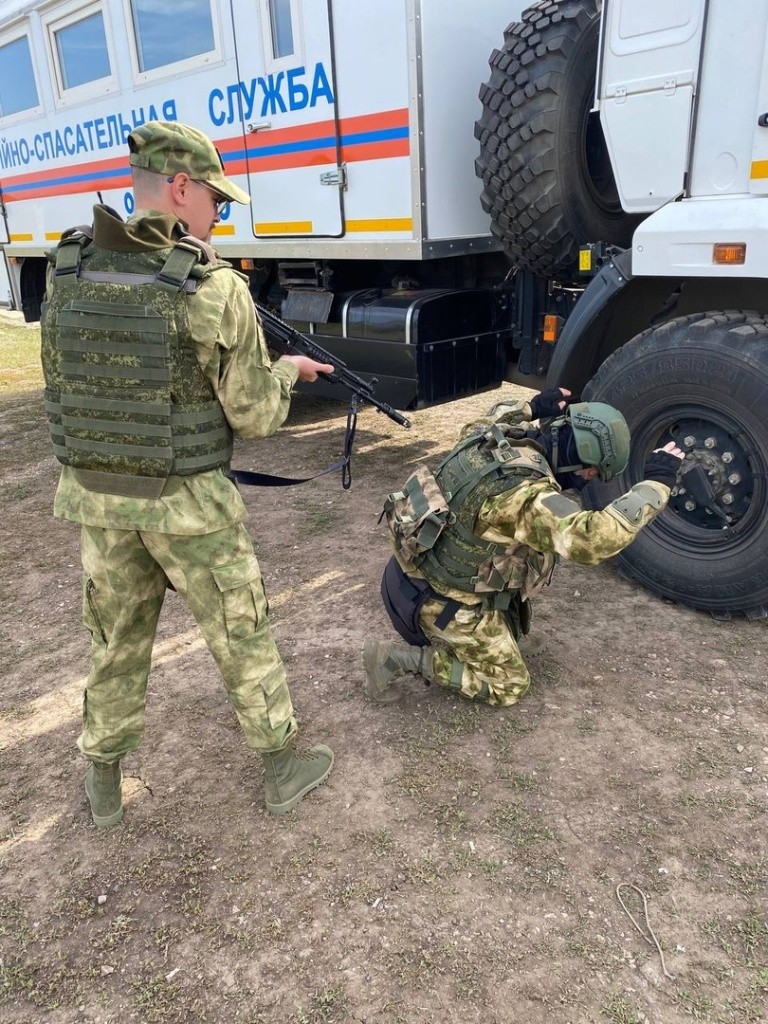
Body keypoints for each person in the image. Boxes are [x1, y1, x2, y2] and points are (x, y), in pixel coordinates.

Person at [40, 121, 335, 826]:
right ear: (180, 187)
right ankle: (282, 769)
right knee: (240, 631)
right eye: (216, 200)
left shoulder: (67, 267)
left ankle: (103, 781)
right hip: (188, 507)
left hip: (100, 499)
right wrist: (286, 372)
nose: (219, 215)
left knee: (114, 640)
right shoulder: (210, 286)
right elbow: (254, 416)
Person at [363, 388, 684, 707]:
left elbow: (495, 413)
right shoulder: (521, 496)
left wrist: (532, 406)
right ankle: (397, 659)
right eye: (593, 472)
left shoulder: (484, 438)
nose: (589, 478)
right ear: (584, 462)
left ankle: (502, 636)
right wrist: (655, 485)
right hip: (441, 604)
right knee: (509, 686)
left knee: (518, 555)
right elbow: (591, 540)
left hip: (415, 572)